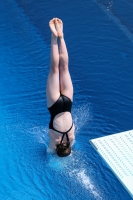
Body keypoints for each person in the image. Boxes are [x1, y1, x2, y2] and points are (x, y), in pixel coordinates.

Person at [46, 18, 75, 157]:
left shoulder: (72, 137)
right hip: (55, 106)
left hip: (68, 103)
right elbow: (49, 151)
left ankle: (61, 36)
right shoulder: (55, 140)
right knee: (54, 70)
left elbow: (70, 149)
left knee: (64, 68)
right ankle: (53, 37)